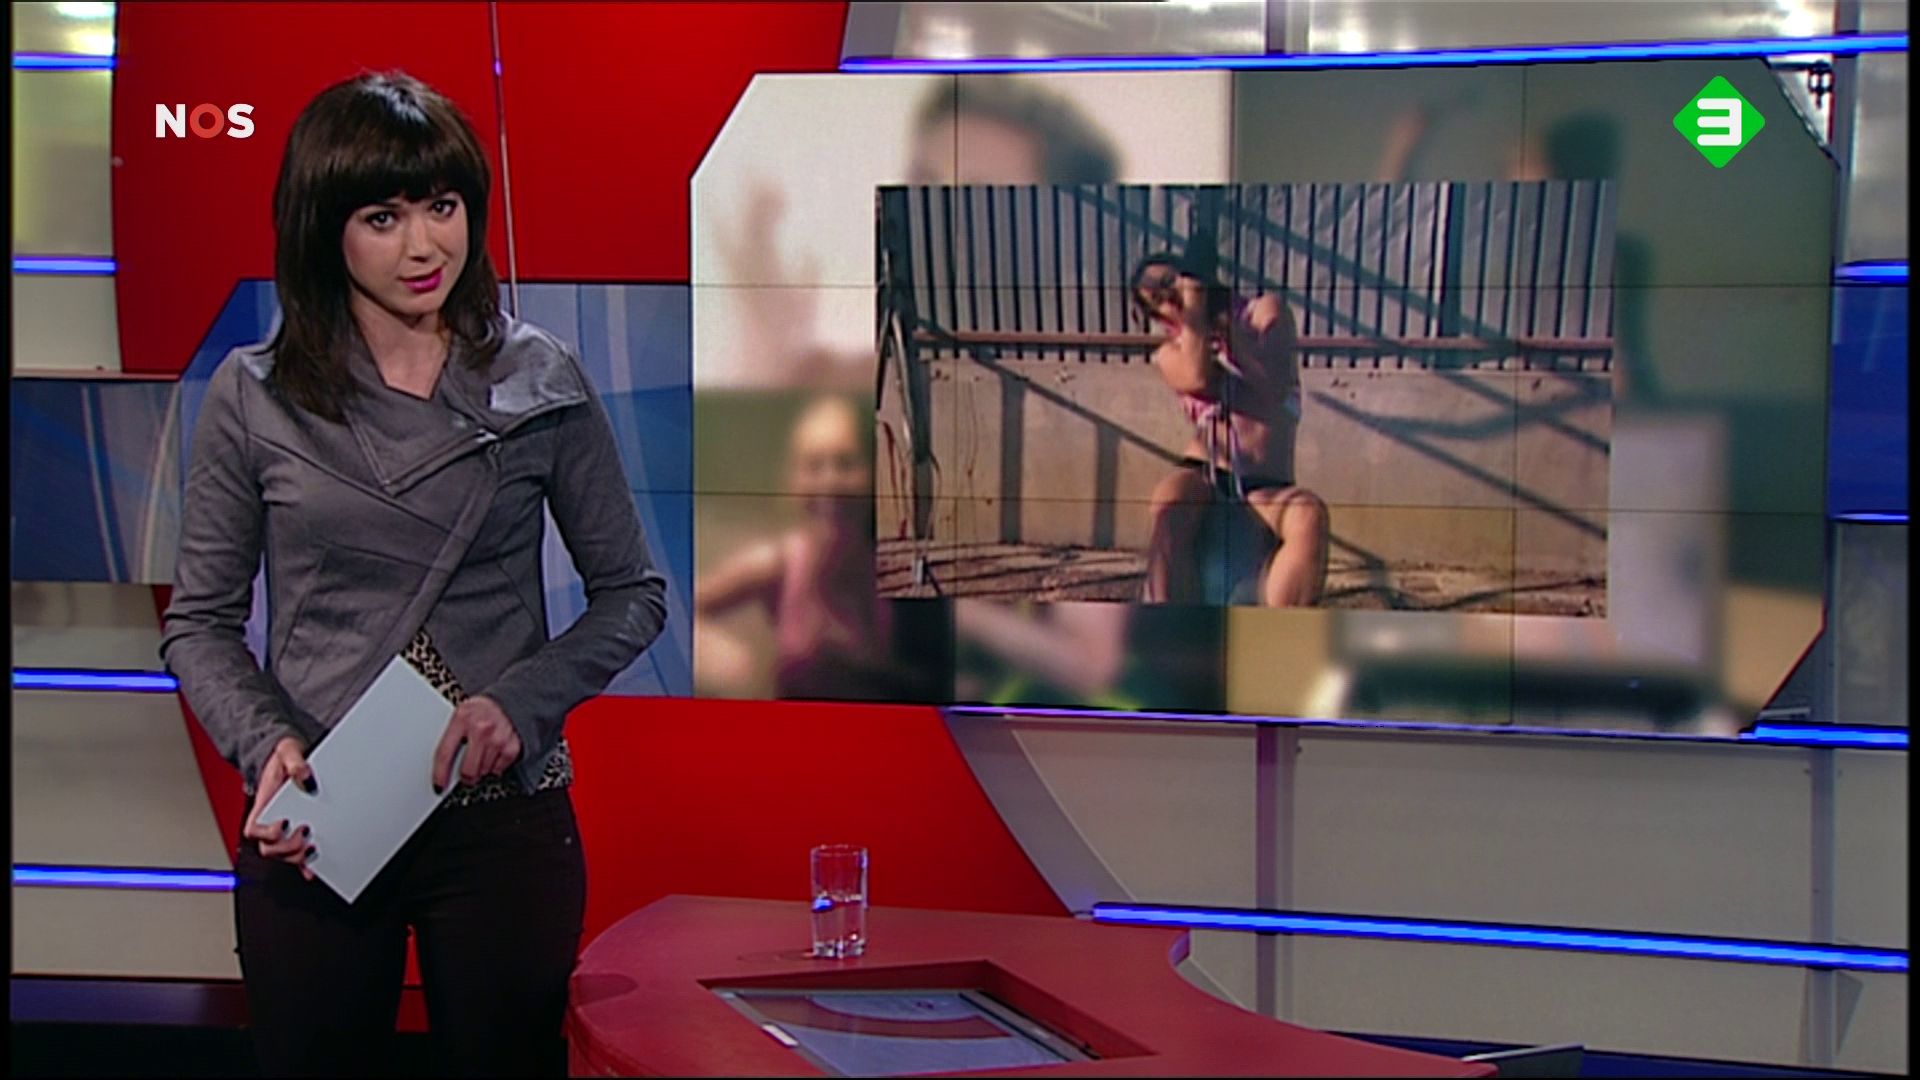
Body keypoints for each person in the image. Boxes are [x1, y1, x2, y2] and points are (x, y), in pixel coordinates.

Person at [158, 72, 667, 1077]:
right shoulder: (254, 397)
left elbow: (632, 594)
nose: (425, 245)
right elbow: (201, 623)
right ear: (326, 229)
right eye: (383, 218)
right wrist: (266, 745)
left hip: (502, 819)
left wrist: (519, 704)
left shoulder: (541, 378)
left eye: (442, 206)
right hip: (325, 812)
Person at [1130, 231, 1330, 607]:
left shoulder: (1264, 313)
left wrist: (1223, 325)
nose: (1171, 296)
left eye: (1172, 282)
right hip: (1206, 472)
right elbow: (1198, 377)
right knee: (1171, 501)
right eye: (1158, 299)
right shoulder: (1172, 353)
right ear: (1157, 316)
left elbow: (1273, 386)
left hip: (1266, 482)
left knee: (1309, 516)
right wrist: (1195, 310)